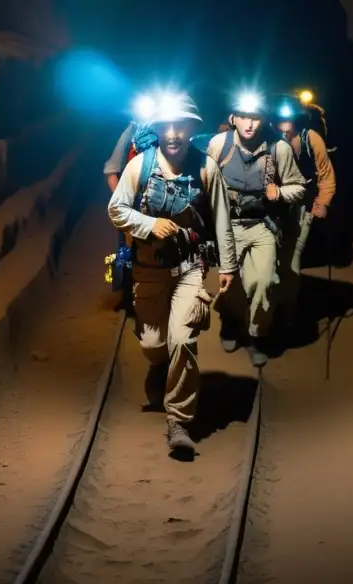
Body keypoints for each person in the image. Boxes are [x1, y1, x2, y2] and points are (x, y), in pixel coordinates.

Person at [108, 93, 237, 458]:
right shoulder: (141, 167)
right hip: (148, 270)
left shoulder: (206, 167)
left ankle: (178, 420)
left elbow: (222, 218)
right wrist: (149, 224)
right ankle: (161, 366)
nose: (174, 134)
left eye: (182, 126)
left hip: (189, 269)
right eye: (168, 126)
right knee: (153, 344)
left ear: (192, 129)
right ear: (160, 129)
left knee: (183, 339)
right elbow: (115, 209)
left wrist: (228, 266)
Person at [207, 93, 306, 368]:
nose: (249, 124)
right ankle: (229, 321)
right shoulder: (219, 145)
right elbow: (203, 182)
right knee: (231, 284)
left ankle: (255, 336)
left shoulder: (278, 148)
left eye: (255, 117)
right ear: (233, 118)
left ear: (263, 119)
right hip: (228, 226)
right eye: (244, 117)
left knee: (263, 282)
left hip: (263, 225)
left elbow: (299, 188)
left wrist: (280, 193)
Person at [274, 94, 337, 331]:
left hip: (301, 207)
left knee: (292, 259)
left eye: (288, 120)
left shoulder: (311, 140)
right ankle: (265, 307)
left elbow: (326, 174)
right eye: (279, 120)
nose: (283, 126)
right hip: (272, 206)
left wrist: (322, 203)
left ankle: (288, 309)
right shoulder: (267, 138)